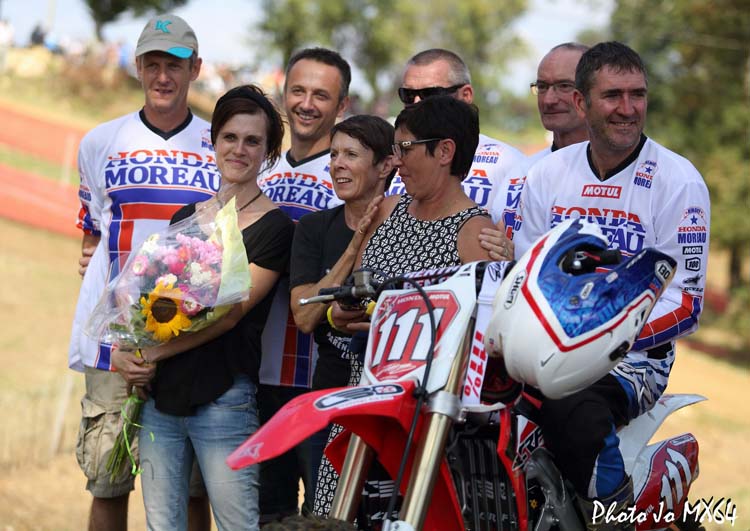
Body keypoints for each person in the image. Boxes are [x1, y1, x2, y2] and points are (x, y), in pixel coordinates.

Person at [512, 41, 710, 529]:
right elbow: (524, 275)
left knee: (568, 403)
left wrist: (603, 338)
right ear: (582, 103)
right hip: (542, 347)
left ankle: (615, 512)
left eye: (637, 95)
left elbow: (686, 303)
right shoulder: (546, 174)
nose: (628, 109)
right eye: (613, 95)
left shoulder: (678, 182)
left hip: (635, 362)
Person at [113, 84, 295, 530]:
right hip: (163, 396)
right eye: (230, 137)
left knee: (236, 524)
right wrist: (126, 351)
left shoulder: (275, 227)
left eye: (253, 141)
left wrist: (149, 355)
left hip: (225, 397)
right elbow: (149, 306)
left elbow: (230, 312)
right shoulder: (184, 218)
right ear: (213, 141)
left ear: (269, 152)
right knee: (163, 525)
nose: (239, 149)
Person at [68, 14, 215, 531]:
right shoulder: (100, 141)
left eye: (174, 64)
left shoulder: (221, 144)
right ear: (137, 67)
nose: (163, 76)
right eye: (152, 64)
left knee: (194, 492)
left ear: (194, 68)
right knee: (108, 484)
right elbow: (92, 233)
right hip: (114, 345)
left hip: (193, 340)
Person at [316, 96, 496, 517]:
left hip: (424, 422)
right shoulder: (387, 211)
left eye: (406, 148)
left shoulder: (475, 234)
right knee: (338, 513)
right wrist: (342, 315)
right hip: (361, 399)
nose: (397, 161)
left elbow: (479, 340)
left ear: (445, 151)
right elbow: (353, 296)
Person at [256, 47, 351, 522]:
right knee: (266, 516)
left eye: (321, 94)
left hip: (321, 382)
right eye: (298, 90)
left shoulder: (352, 174)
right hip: (254, 377)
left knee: (323, 516)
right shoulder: (259, 169)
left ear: (342, 105)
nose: (307, 103)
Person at [492, 42, 589, 239]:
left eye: (564, 86)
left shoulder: (634, 173)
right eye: (542, 87)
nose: (548, 100)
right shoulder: (518, 176)